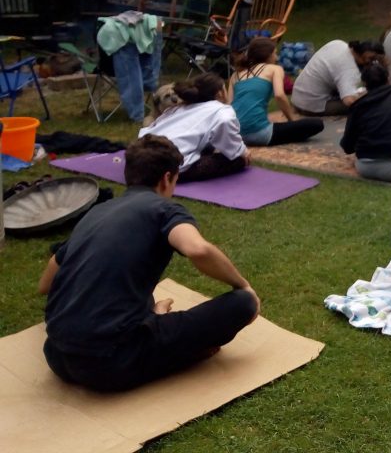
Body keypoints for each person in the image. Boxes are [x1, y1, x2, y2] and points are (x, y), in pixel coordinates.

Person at [39, 134, 260, 391]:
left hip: (55, 354)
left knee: (135, 294)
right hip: (111, 363)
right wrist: (243, 285)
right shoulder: (164, 210)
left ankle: (152, 321)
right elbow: (198, 250)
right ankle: (178, 347)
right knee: (243, 304)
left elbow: (46, 284)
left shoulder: (97, 212)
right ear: (167, 178)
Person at [139, 72, 249, 182]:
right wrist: (241, 152)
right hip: (166, 168)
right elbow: (225, 124)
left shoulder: (180, 107)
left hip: (139, 161)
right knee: (237, 159)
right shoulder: (220, 109)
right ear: (220, 93)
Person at [228, 37, 324, 146]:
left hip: (237, 135)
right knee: (316, 124)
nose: (277, 57)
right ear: (267, 55)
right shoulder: (274, 69)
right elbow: (279, 95)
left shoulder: (235, 75)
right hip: (260, 134)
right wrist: (292, 120)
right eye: (275, 54)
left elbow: (228, 106)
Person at [290, 39, 384, 116]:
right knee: (370, 103)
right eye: (371, 60)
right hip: (311, 106)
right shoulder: (349, 69)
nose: (372, 64)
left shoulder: (338, 44)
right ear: (363, 56)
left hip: (298, 97)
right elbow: (349, 101)